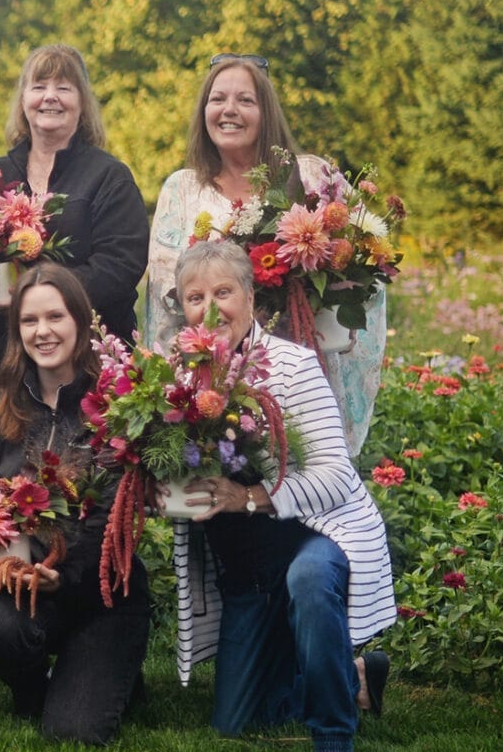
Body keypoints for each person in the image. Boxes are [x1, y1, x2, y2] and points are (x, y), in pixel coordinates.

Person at [168, 240, 394, 752]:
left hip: (317, 533)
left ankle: (333, 741)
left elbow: (336, 478)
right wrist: (165, 490)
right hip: (250, 567)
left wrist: (248, 497)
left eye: (224, 292)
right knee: (238, 722)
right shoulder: (176, 379)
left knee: (310, 578)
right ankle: (354, 673)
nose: (211, 308)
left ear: (250, 297)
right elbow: (172, 471)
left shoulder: (291, 365)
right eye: (195, 297)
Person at [147, 54, 387, 455]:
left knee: (305, 492)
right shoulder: (182, 189)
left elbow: (364, 267)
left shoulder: (311, 176)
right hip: (217, 390)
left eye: (245, 100)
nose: (229, 110)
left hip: (302, 376)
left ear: (266, 112)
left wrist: (313, 300)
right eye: (217, 99)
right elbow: (163, 300)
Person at [0, 265, 148, 745]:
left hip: (104, 595)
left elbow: (114, 518)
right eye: (29, 321)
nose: (42, 332)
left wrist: (61, 575)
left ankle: (102, 668)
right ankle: (32, 690)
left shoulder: (116, 405)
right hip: (25, 589)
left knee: (74, 733)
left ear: (82, 323)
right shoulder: (0, 412)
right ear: (17, 330)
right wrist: (0, 558)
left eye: (55, 317)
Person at [0, 45, 146, 389]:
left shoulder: (109, 177)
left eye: (64, 88)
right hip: (6, 370)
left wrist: (36, 296)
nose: (50, 97)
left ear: (82, 102)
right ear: (23, 100)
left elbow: (118, 267)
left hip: (90, 371)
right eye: (38, 87)